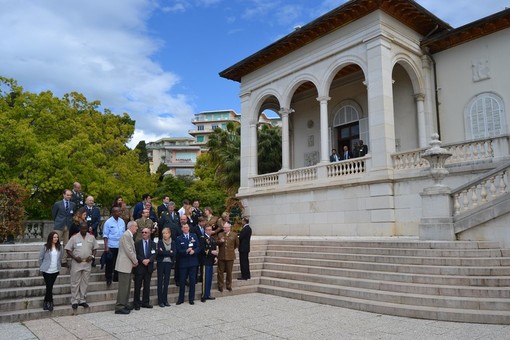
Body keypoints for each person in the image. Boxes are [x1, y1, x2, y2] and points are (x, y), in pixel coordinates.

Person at [65, 222, 99, 310]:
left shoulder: (91, 237)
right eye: (82, 228)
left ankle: (82, 300)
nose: (84, 230)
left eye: (85, 228)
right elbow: (68, 250)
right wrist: (74, 257)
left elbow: (95, 248)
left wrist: (92, 256)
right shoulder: (74, 237)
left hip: (87, 263)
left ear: (87, 228)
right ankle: (74, 300)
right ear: (80, 228)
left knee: (85, 282)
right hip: (77, 263)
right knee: (75, 282)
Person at [114, 221, 139, 314]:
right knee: (123, 287)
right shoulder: (126, 235)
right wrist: (135, 260)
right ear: (131, 227)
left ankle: (124, 303)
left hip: (127, 265)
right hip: (124, 265)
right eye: (136, 226)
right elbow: (129, 250)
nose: (137, 228)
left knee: (127, 286)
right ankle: (119, 306)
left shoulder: (129, 236)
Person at [175, 220, 200, 305]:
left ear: (189, 228)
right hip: (183, 263)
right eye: (184, 227)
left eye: (187, 227)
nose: (185, 229)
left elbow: (198, 247)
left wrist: (194, 251)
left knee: (192, 281)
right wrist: (186, 251)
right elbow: (178, 250)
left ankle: (191, 299)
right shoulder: (179, 238)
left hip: (193, 262)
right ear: (182, 229)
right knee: (182, 281)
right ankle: (181, 299)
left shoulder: (194, 236)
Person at [39, 231, 63, 312]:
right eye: (54, 237)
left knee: (49, 287)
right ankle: (50, 302)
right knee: (49, 287)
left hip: (55, 270)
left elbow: (60, 258)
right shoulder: (45, 247)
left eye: (57, 237)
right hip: (46, 271)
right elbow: (40, 258)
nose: (56, 238)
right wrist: (42, 266)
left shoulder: (60, 247)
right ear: (50, 238)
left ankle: (45, 302)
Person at [133, 227, 157, 310]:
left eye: (146, 232)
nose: (144, 233)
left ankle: (145, 302)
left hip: (148, 268)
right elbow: (136, 254)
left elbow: (154, 254)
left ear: (149, 233)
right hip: (140, 267)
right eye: (142, 232)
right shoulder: (137, 243)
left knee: (147, 286)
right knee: (137, 286)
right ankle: (136, 303)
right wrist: (142, 260)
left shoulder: (153, 244)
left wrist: (149, 260)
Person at [103, 207, 126, 286]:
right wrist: (106, 246)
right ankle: (108, 278)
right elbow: (105, 235)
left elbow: (124, 234)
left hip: (120, 245)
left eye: (120, 211)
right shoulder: (108, 222)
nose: (119, 213)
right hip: (111, 245)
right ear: (113, 213)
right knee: (110, 263)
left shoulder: (122, 221)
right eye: (117, 211)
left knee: (118, 262)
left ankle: (116, 277)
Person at [51, 189, 75, 264]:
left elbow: (72, 215)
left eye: (70, 195)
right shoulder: (57, 204)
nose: (69, 196)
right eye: (67, 195)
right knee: (55, 242)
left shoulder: (73, 204)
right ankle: (54, 259)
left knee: (66, 244)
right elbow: (54, 214)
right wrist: (57, 222)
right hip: (59, 226)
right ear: (64, 195)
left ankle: (64, 260)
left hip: (68, 226)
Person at [216, 221, 239, 292]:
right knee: (220, 272)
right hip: (221, 255)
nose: (224, 229)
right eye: (224, 227)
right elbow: (216, 243)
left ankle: (228, 285)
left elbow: (236, 244)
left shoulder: (234, 235)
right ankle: (220, 285)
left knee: (229, 272)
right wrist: (220, 241)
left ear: (229, 228)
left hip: (230, 256)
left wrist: (230, 250)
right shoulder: (220, 234)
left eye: (226, 227)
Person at [156, 227, 175, 307]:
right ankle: (160, 301)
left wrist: (165, 252)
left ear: (169, 234)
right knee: (160, 281)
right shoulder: (160, 242)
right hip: (161, 263)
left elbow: (174, 253)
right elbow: (159, 252)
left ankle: (165, 300)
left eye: (166, 233)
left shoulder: (173, 242)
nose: (165, 235)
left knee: (166, 282)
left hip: (168, 263)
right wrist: (168, 252)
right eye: (163, 233)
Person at [200, 224, 217, 302]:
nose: (209, 231)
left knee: (209, 278)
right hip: (205, 260)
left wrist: (215, 257)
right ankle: (204, 295)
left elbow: (214, 248)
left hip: (211, 260)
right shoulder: (202, 238)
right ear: (205, 230)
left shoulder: (212, 238)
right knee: (205, 278)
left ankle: (208, 293)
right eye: (208, 230)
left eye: (210, 230)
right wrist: (211, 252)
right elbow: (202, 249)